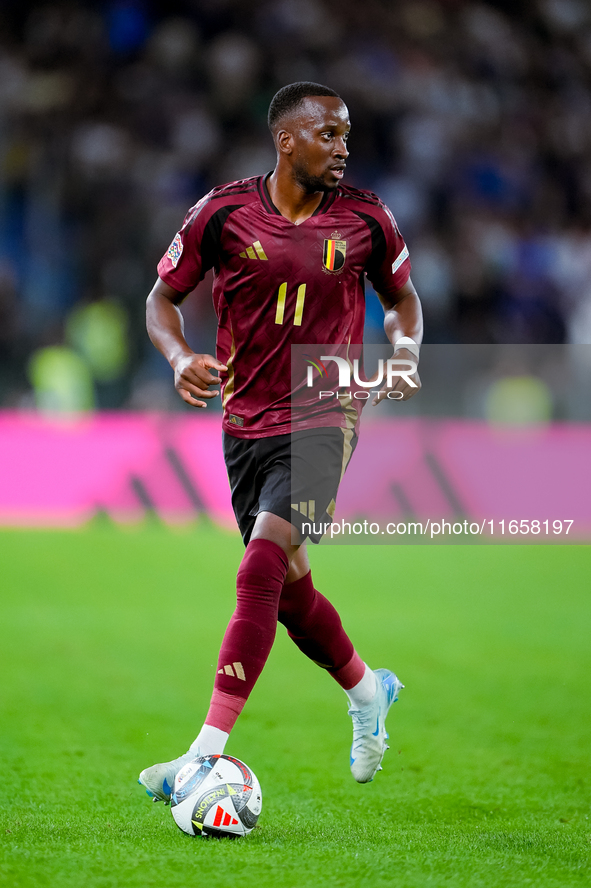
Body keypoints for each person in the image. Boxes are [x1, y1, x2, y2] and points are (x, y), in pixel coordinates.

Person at [139, 82, 423, 802]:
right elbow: (160, 299)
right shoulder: (224, 212)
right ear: (286, 140)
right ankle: (366, 692)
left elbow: (401, 300)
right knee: (289, 588)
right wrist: (178, 359)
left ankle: (201, 754)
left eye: (346, 134)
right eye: (328, 133)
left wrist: (406, 348)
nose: (343, 146)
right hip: (244, 422)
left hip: (327, 412)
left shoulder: (365, 218)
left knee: (260, 564)